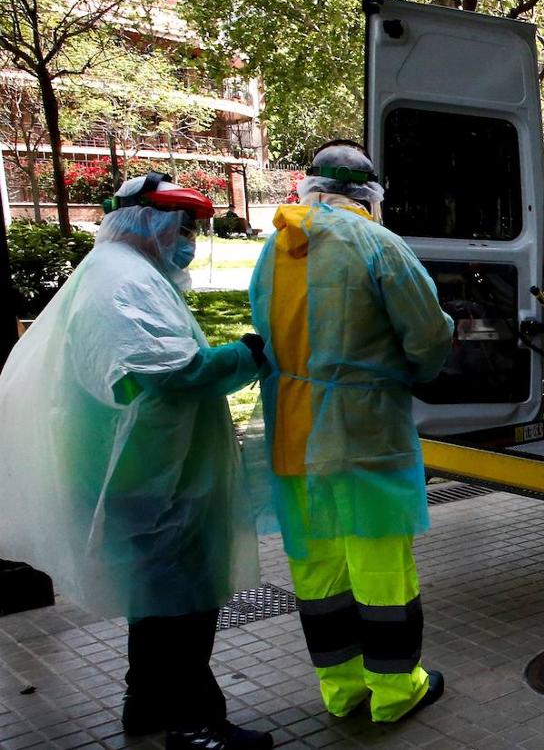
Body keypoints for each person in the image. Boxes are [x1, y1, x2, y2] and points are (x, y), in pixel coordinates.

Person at [0, 172, 272, 750]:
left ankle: (145, 706)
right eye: (185, 226)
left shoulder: (116, 272)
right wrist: (247, 354)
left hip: (140, 469)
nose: (190, 238)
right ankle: (195, 725)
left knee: (157, 605)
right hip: (151, 477)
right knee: (183, 610)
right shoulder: (123, 283)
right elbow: (173, 374)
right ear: (151, 222)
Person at [249, 140, 454, 723]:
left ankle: (340, 690)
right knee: (381, 568)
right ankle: (394, 693)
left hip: (291, 432)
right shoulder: (379, 245)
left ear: (310, 186)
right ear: (370, 194)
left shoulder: (275, 247)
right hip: (366, 436)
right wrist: (418, 373)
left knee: (318, 572)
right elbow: (429, 336)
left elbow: (266, 330)